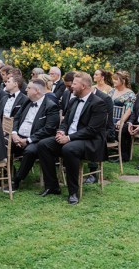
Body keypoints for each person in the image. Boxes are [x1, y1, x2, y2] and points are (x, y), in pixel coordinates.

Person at [37, 72, 107, 205]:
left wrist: (68, 138)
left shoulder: (99, 103)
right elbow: (65, 121)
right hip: (71, 138)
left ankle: (73, 192)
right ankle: (52, 186)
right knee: (43, 144)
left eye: (74, 84)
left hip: (90, 141)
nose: (71, 86)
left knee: (69, 149)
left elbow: (92, 130)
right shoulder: (73, 100)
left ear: (84, 86)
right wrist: (61, 131)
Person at [1, 79, 59, 192]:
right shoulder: (27, 101)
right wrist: (14, 133)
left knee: (30, 151)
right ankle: (5, 174)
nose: (26, 89)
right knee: (0, 143)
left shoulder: (51, 106)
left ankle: (16, 180)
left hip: (37, 140)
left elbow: (48, 129)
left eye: (29, 88)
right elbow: (16, 118)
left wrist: (27, 140)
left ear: (36, 91)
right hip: (18, 136)